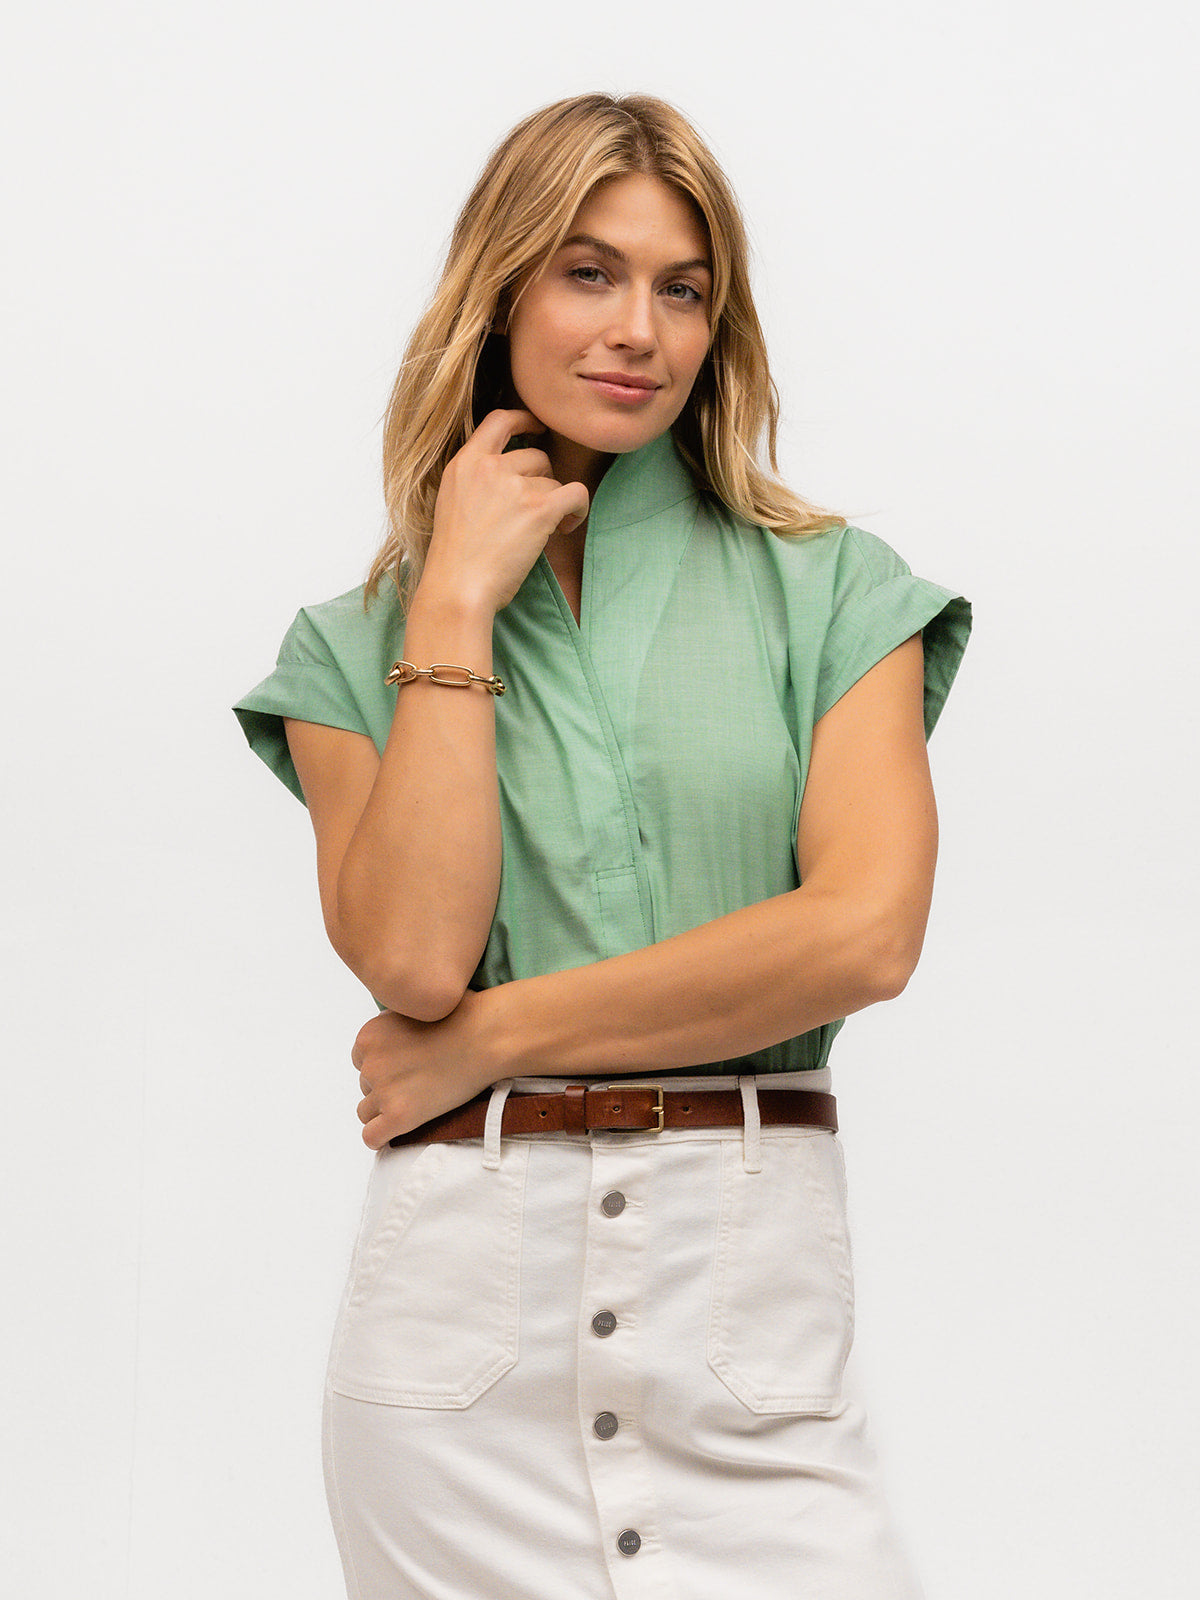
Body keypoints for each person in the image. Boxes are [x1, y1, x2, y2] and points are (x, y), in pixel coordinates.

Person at [233, 91, 972, 1600]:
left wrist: (486, 1042)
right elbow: (413, 955)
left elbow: (862, 938)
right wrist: (451, 607)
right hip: (456, 1342)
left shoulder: (834, 592)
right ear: (498, 291)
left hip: (745, 1318)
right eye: (588, 272)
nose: (640, 326)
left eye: (682, 288)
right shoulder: (352, 645)